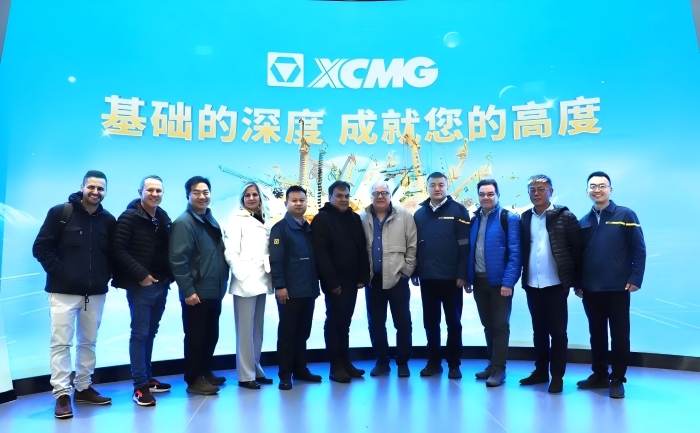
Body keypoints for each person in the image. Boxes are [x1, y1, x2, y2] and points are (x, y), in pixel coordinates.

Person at [32, 170, 116, 419]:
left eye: (100, 188)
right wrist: (62, 274)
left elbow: (112, 255)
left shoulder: (108, 220)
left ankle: (83, 388)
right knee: (61, 343)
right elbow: (41, 247)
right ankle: (61, 394)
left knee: (88, 342)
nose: (95, 192)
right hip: (63, 292)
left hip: (95, 293)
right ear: (82, 187)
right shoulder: (61, 213)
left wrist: (104, 276)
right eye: (91, 187)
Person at [575, 171, 646, 399]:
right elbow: (578, 257)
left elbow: (639, 249)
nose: (597, 190)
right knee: (596, 334)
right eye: (592, 186)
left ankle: (617, 379)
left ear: (610, 190)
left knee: (619, 335)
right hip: (590, 289)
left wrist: (635, 278)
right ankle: (599, 375)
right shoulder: (583, 221)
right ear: (587, 190)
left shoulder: (625, 214)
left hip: (618, 288)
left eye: (602, 186)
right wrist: (578, 283)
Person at [112, 175, 173, 406]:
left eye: (159, 190)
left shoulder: (162, 217)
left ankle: (147, 378)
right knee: (139, 334)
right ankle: (139, 386)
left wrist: (168, 277)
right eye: (150, 190)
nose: (155, 194)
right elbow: (118, 250)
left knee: (150, 332)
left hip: (161, 284)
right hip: (141, 286)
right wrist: (141, 276)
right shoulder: (129, 217)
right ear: (140, 192)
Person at [518, 175, 582, 394]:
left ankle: (557, 376)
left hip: (556, 284)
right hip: (532, 283)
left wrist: (576, 281)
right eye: (532, 189)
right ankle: (540, 372)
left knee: (558, 333)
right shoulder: (525, 217)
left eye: (541, 188)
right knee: (538, 331)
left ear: (551, 191)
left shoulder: (565, 216)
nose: (536, 193)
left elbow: (578, 250)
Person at [169, 176, 229, 395]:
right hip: (196, 292)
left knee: (211, 335)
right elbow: (178, 259)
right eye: (196, 193)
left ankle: (205, 371)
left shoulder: (209, 219)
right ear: (188, 195)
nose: (202, 196)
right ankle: (194, 379)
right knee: (195, 338)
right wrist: (188, 290)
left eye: (205, 192)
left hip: (214, 289)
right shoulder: (184, 223)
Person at [412, 172, 471, 379]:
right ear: (427, 187)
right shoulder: (419, 214)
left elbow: (465, 246)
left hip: (452, 279)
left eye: (441, 185)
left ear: (447, 186)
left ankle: (454, 364)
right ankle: (433, 362)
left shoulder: (459, 210)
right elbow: (415, 245)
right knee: (430, 323)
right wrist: (415, 271)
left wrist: (463, 273)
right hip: (428, 278)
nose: (437, 188)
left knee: (453, 323)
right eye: (433, 185)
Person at [311, 180, 370, 383]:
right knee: (335, 323)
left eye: (346, 196)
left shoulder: (354, 218)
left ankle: (345, 362)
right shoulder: (321, 219)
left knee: (345, 323)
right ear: (330, 197)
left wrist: (363, 276)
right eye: (339, 196)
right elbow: (321, 254)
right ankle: (335, 366)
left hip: (352, 282)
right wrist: (331, 282)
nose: (344, 199)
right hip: (335, 284)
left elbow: (361, 248)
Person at [467, 178, 521, 387]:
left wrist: (508, 283)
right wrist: (469, 277)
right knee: (488, 325)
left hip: (500, 284)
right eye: (482, 194)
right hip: (479, 281)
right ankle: (491, 364)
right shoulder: (474, 219)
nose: (486, 197)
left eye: (490, 194)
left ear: (498, 195)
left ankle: (499, 369)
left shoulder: (508, 218)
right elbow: (470, 250)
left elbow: (515, 253)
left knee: (500, 326)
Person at [360, 180, 417, 377]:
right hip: (373, 281)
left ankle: (402, 363)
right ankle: (382, 362)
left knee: (403, 323)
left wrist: (406, 272)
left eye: (384, 192)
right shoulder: (363, 217)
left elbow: (412, 245)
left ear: (390, 195)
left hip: (397, 279)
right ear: (371, 196)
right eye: (376, 193)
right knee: (376, 324)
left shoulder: (404, 215)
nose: (380, 196)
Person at [269, 186, 323, 390]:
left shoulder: (307, 227)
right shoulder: (280, 229)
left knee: (303, 333)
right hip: (289, 292)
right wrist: (280, 285)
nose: (298, 203)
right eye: (294, 200)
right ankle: (285, 374)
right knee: (287, 334)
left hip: (308, 290)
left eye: (302, 200)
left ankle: (300, 369)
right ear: (286, 203)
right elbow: (276, 260)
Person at [223, 182, 274, 390]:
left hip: (262, 278)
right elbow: (230, 251)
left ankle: (255, 368)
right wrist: (242, 274)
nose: (251, 198)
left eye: (254, 194)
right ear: (242, 199)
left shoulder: (265, 218)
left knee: (257, 329)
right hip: (245, 280)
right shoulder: (236, 219)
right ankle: (245, 376)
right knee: (245, 331)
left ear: (260, 197)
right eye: (247, 195)